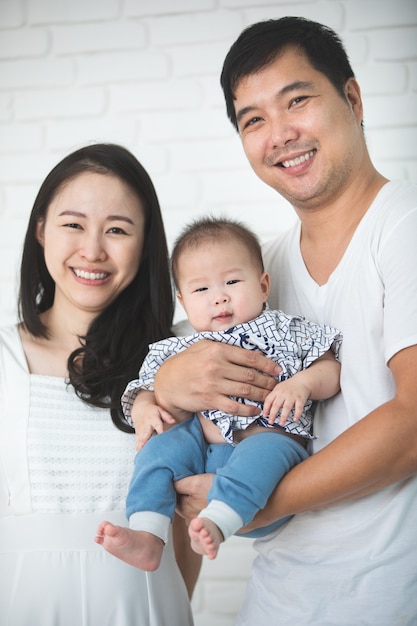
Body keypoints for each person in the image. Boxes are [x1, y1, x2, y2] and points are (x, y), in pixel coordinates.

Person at [148, 17, 417, 626]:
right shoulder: (256, 271)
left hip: (390, 597)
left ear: (351, 98)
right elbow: (185, 384)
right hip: (276, 601)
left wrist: (253, 502)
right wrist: (161, 388)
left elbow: (414, 421)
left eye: (297, 100)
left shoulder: (404, 227)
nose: (281, 135)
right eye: (254, 120)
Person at [0, 143, 194, 626]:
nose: (92, 250)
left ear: (146, 242)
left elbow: (183, 519)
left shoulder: (178, 358)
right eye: (73, 224)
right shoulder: (5, 356)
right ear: (41, 230)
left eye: (117, 229)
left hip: (148, 606)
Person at [96, 216, 341, 568]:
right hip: (200, 447)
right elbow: (144, 388)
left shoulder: (286, 329)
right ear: (182, 300)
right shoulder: (179, 346)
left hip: (268, 447)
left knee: (265, 450)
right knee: (156, 450)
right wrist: (146, 408)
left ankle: (219, 520)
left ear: (263, 285)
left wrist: (301, 383)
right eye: (201, 289)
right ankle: (148, 533)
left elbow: (331, 369)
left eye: (232, 281)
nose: (219, 297)